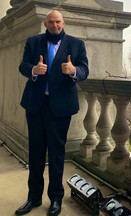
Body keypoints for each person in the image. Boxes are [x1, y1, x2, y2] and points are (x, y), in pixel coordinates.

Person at [15, 9, 89, 216]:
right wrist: (33, 71)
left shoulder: (76, 44)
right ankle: (34, 198)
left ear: (63, 23)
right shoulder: (33, 41)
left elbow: (84, 69)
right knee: (36, 153)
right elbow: (23, 66)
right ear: (45, 23)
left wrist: (74, 70)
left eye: (58, 22)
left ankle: (55, 198)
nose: (54, 25)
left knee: (57, 155)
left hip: (61, 108)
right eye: (50, 22)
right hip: (36, 106)